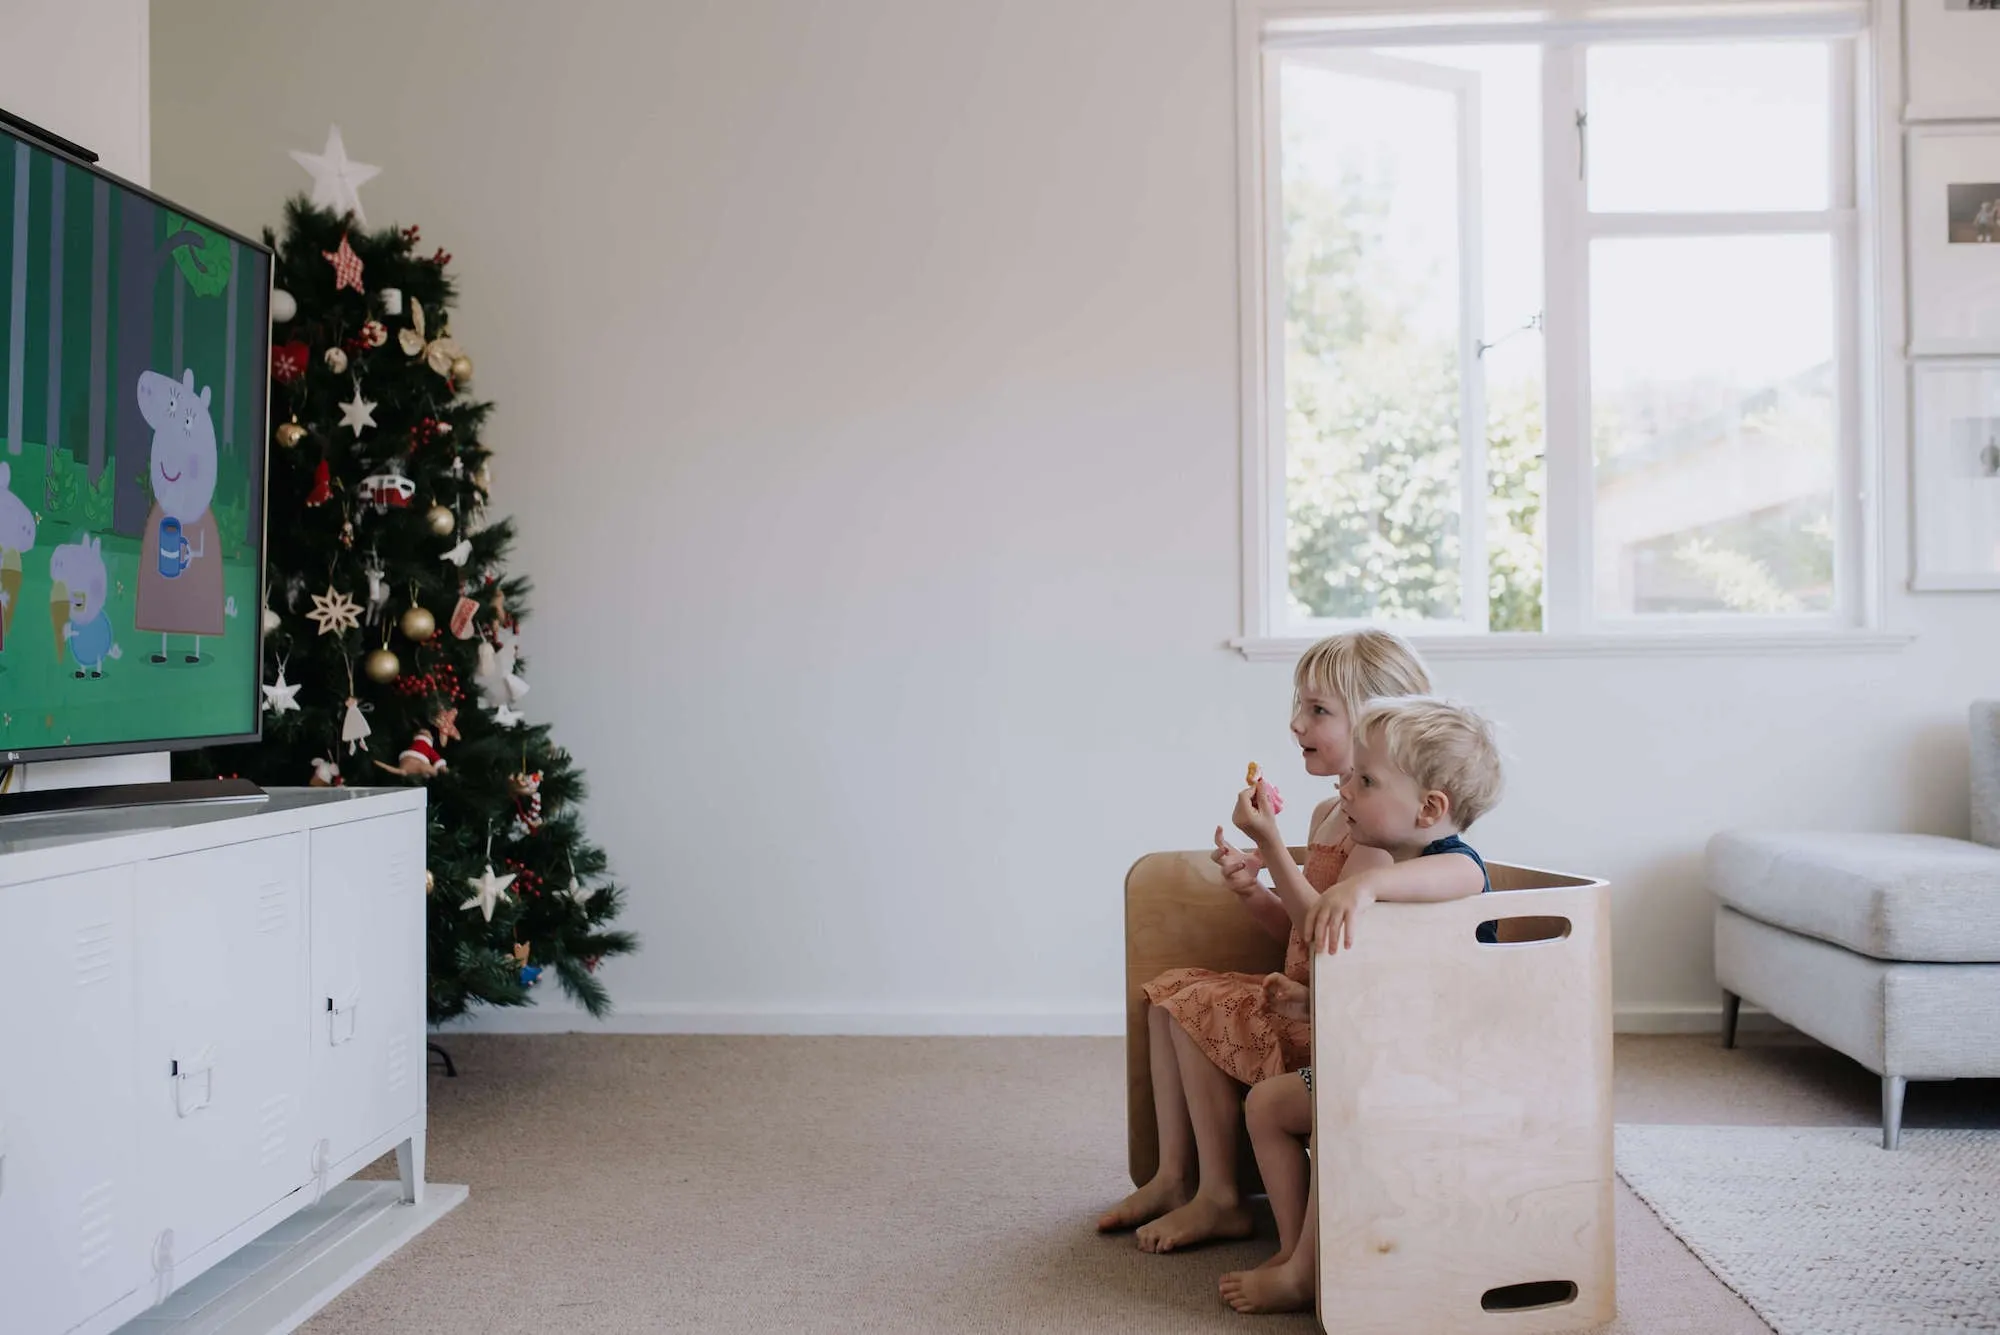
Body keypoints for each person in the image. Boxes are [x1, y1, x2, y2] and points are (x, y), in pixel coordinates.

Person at [1096, 630, 1430, 1253]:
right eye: (1299, 707)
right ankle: (1178, 1177)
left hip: (1325, 1014)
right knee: (1171, 996)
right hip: (1298, 987)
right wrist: (1256, 890)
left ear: (1379, 722)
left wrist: (1273, 848)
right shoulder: (1332, 814)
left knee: (1196, 1006)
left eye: (1319, 711)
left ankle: (1221, 1197)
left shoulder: (1381, 835)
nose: (1297, 723)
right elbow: (1295, 930)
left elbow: (1326, 935)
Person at [1218, 695, 1506, 1313]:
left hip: (1445, 1074)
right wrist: (1309, 1004)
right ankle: (1300, 1253)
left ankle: (1306, 1269)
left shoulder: (1455, 869)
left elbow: (1458, 884)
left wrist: (1367, 886)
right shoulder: (1390, 873)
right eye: (1352, 775)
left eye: (1366, 779)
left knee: (1339, 1115)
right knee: (1267, 1105)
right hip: (1382, 1061)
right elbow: (1383, 989)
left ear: (1430, 808)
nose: (1347, 787)